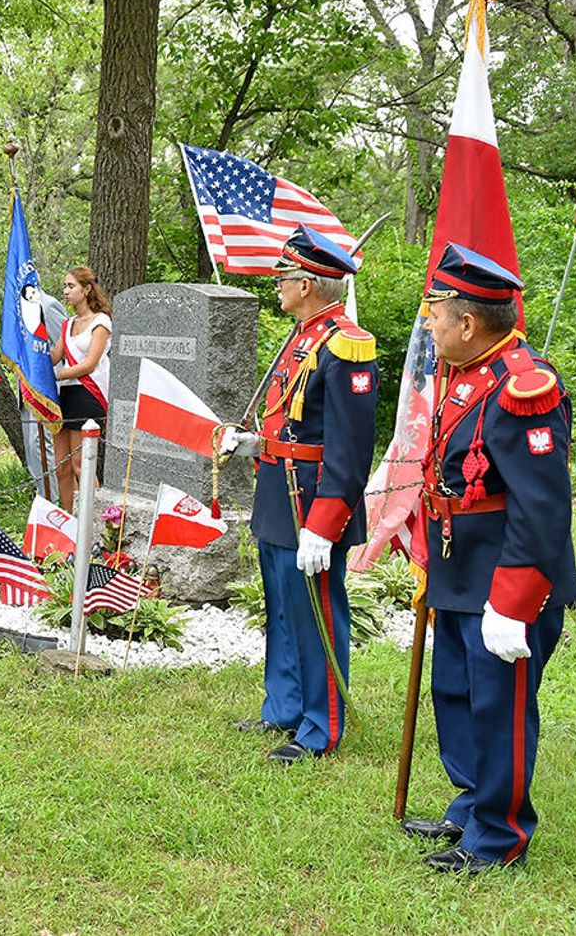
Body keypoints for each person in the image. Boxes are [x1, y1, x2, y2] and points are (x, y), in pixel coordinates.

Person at [399, 243, 576, 875]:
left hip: (503, 579)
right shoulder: (469, 372)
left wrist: (513, 603)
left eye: (435, 315)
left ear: (468, 323)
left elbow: (543, 508)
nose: (428, 326)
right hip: (460, 569)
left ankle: (499, 836)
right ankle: (474, 803)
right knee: (456, 692)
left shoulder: (525, 388)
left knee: (499, 707)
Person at [220, 226, 377, 764]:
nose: (278, 286)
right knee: (283, 608)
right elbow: (291, 421)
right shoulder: (303, 336)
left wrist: (325, 524)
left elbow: (350, 450)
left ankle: (320, 726)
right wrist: (253, 443)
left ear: (307, 285)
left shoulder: (346, 345)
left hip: (311, 500)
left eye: (284, 278)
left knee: (315, 614)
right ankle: (284, 707)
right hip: (277, 489)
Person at [47, 266, 112, 512]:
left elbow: (89, 364)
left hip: (88, 395)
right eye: (65, 286)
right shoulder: (68, 324)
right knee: (62, 467)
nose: (66, 291)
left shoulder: (101, 321)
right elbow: (55, 356)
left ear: (87, 289)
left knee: (80, 464)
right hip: (65, 395)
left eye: (71, 286)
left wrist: (57, 375)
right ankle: (68, 518)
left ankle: (92, 520)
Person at [23, 290, 69, 502]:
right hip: (27, 388)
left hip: (47, 389)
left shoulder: (48, 305)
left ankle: (55, 501)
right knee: (32, 449)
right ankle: (43, 498)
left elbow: (66, 346)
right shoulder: (19, 309)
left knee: (43, 446)